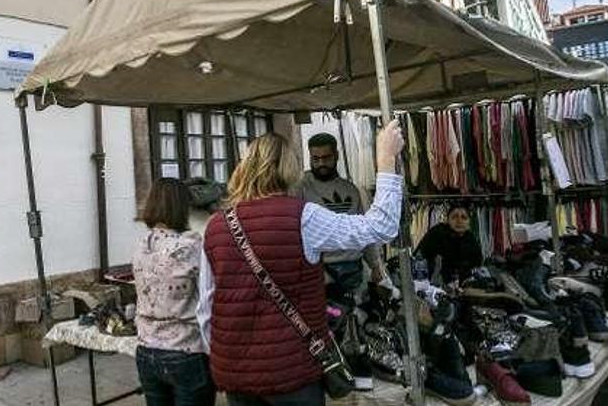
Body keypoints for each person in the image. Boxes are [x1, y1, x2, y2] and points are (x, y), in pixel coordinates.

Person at [198, 122, 404, 405]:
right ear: (290, 167)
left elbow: (206, 310)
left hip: (237, 375)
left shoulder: (215, 226)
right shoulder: (303, 217)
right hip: (293, 373)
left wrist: (228, 358)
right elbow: (382, 226)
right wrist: (386, 159)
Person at [294, 133, 394, 392]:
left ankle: (354, 379)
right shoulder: (300, 189)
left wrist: (376, 266)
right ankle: (328, 381)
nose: (321, 163)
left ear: (336, 155)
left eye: (326, 157)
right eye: (315, 158)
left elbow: (368, 232)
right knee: (322, 330)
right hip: (320, 271)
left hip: (352, 270)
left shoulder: (351, 190)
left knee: (355, 326)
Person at [133, 179, 215, 406]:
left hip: (146, 349)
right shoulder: (192, 245)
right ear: (182, 207)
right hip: (185, 349)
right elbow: (209, 296)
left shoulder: (141, 245)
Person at [414, 205, 483, 284]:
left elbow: (477, 265)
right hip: (435, 285)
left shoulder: (471, 240)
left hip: (464, 286)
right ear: (447, 220)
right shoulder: (437, 233)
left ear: (469, 222)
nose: (459, 221)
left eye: (463, 217)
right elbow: (420, 257)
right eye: (454, 217)